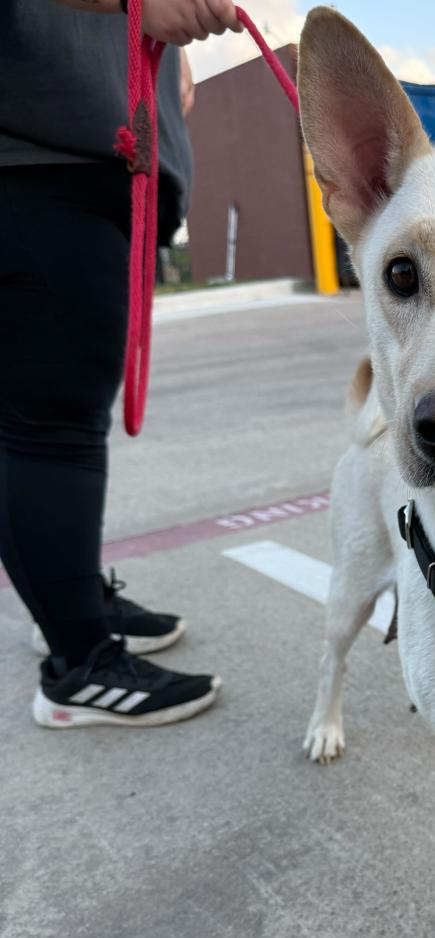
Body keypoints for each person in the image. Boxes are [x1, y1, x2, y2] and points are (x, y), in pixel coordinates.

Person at [0, 0, 242, 727]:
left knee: (42, 422)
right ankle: (78, 665)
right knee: (52, 428)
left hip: (76, 158)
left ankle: (65, 601)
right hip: (40, 164)